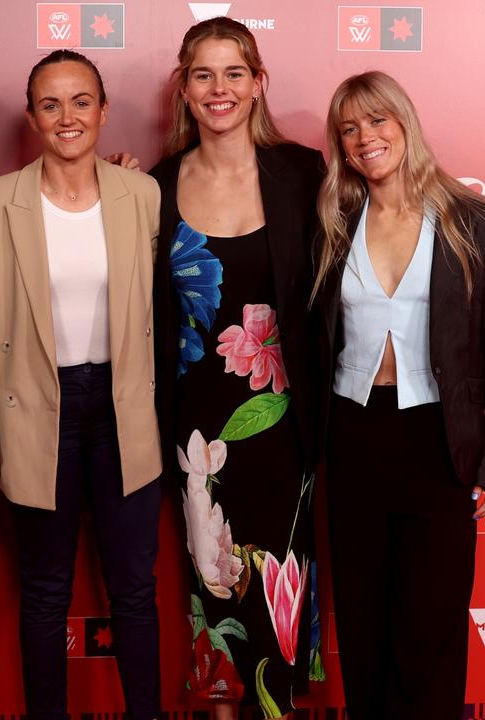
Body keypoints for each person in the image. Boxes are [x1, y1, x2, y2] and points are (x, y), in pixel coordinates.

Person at [311, 71, 485, 719]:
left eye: (377, 121)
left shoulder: (476, 223)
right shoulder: (330, 221)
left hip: (438, 442)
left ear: (405, 122)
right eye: (349, 129)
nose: (365, 138)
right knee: (367, 626)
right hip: (352, 439)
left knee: (431, 630)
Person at [0, 50, 163, 720]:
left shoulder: (142, 194)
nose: (67, 117)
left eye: (81, 101)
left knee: (134, 589)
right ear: (31, 118)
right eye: (50, 104)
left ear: (103, 112)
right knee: (46, 591)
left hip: (122, 408)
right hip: (39, 412)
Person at [149, 17, 323, 719]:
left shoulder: (304, 174)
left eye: (233, 73)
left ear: (258, 84)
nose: (219, 89)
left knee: (278, 578)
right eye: (203, 74)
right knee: (212, 587)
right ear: (184, 90)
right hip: (197, 435)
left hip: (283, 421)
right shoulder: (154, 189)